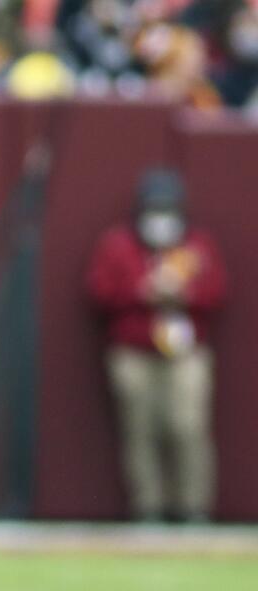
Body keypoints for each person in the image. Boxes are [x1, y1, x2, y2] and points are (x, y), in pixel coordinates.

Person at [86, 167, 227, 523]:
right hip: (134, 351)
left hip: (185, 352)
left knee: (188, 426)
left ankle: (193, 508)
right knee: (140, 430)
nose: (161, 218)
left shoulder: (196, 247)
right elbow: (99, 291)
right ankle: (148, 509)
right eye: (155, 208)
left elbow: (217, 291)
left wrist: (184, 294)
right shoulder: (119, 245)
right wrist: (141, 291)